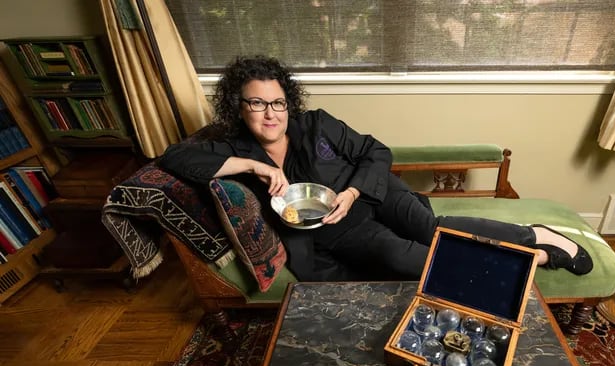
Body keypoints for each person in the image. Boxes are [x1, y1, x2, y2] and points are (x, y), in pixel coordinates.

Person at [160, 55, 592, 282]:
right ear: (239, 106)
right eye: (256, 103)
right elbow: (173, 158)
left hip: (374, 194)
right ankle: (522, 263)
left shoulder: (317, 124)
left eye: (277, 102)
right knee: (402, 256)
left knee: (431, 229)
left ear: (288, 102)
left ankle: (535, 236)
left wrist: (351, 193)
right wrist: (251, 165)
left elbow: (376, 151)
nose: (270, 114)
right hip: (336, 228)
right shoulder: (230, 147)